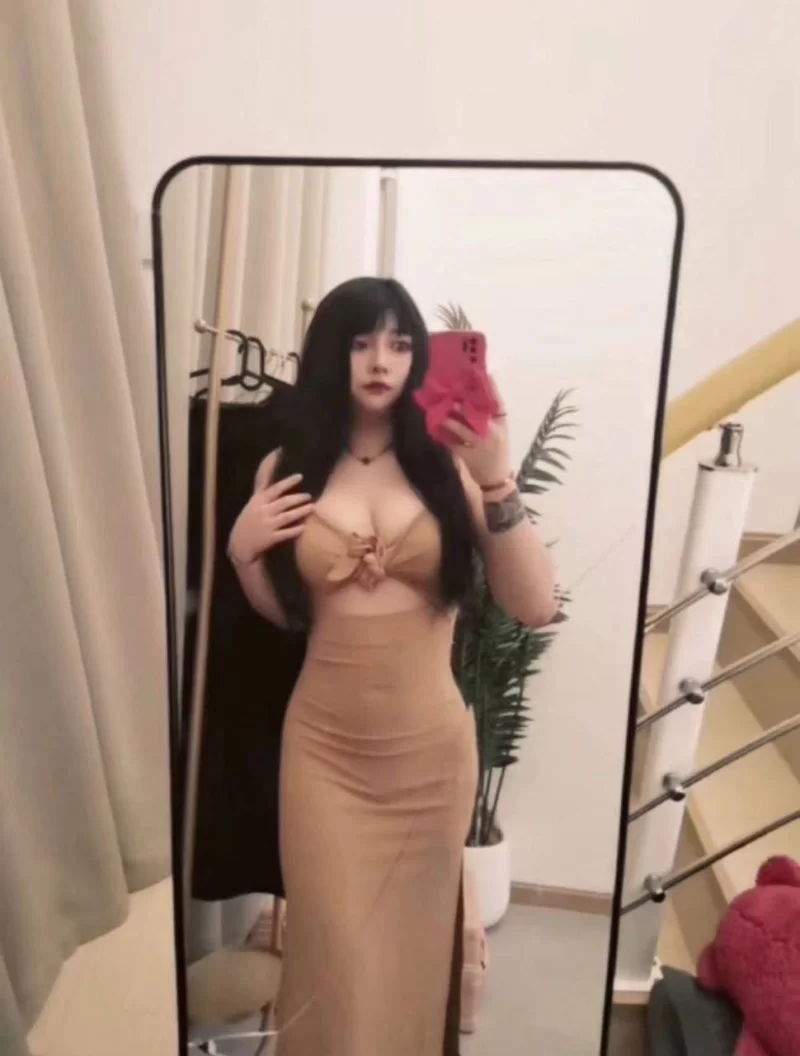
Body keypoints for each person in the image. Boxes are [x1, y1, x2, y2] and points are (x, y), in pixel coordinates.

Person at [227, 276, 556, 1056]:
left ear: (419, 358)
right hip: (324, 755)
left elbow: (534, 604)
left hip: (428, 760)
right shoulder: (288, 465)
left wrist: (497, 477)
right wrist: (242, 555)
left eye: (401, 343)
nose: (381, 360)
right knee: (331, 957)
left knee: (412, 959)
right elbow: (293, 617)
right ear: (330, 353)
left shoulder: (449, 466)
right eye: (361, 341)